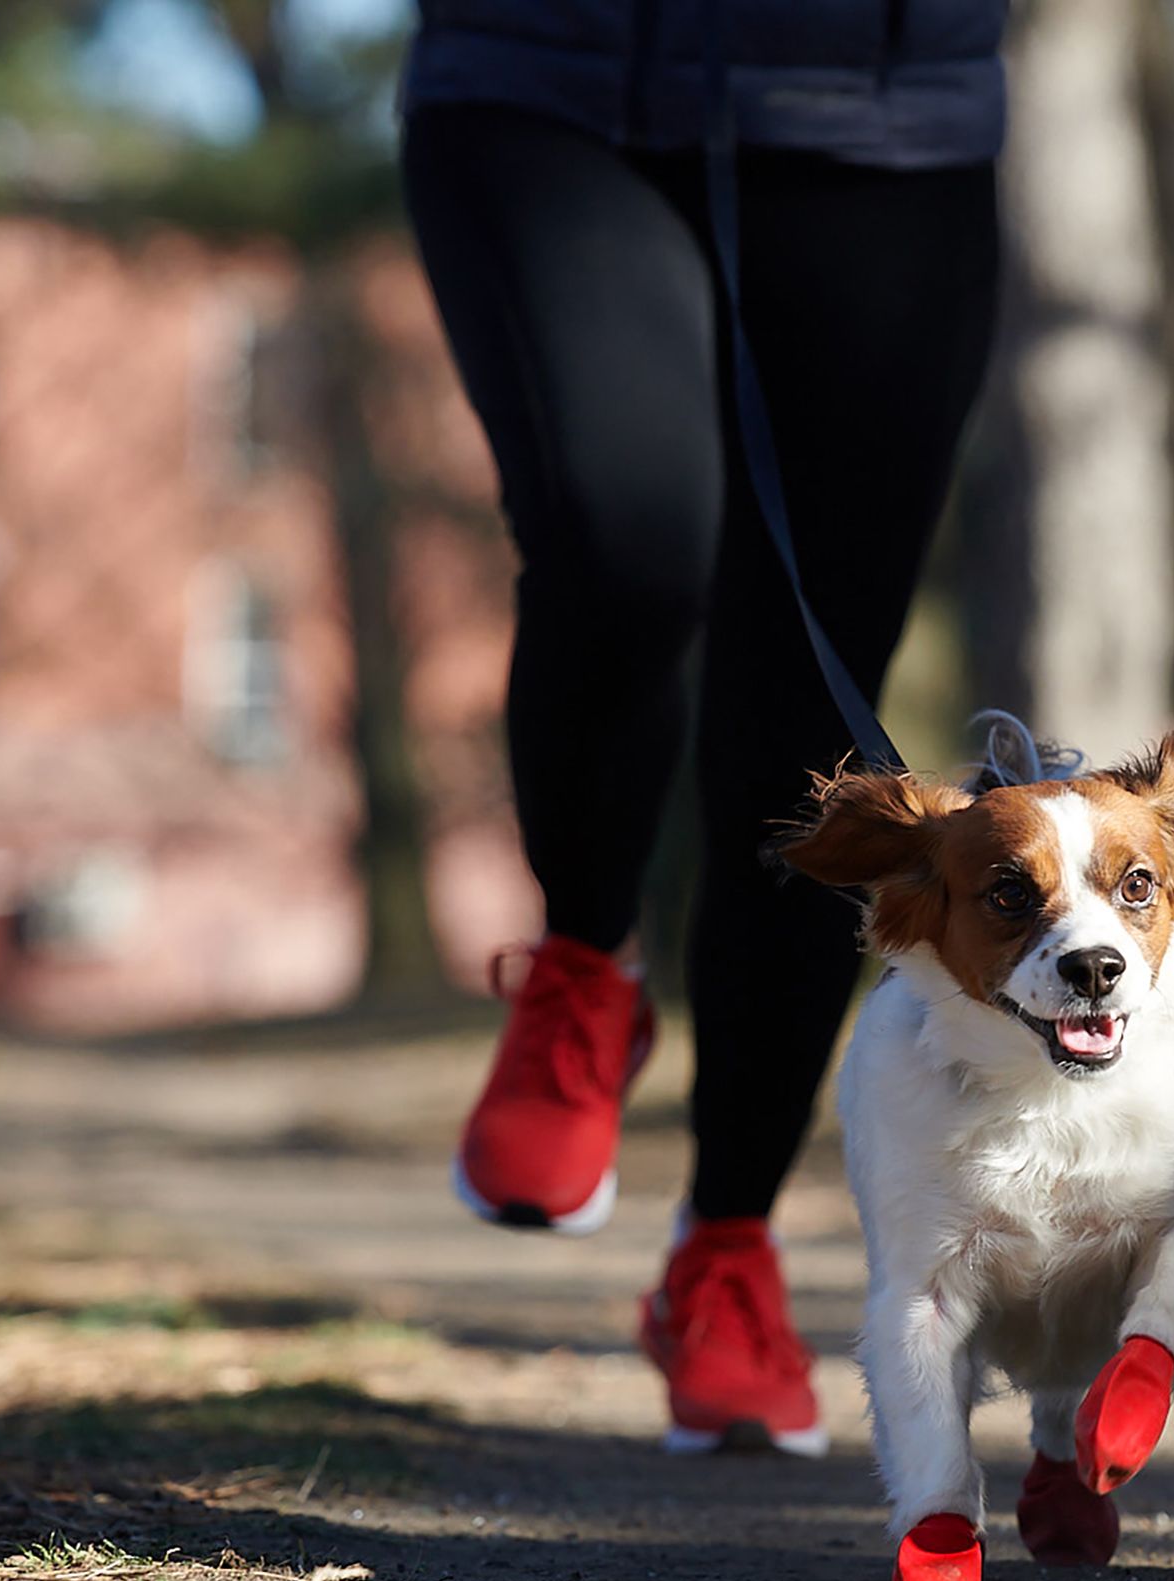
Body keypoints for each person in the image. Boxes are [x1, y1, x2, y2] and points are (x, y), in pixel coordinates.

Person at [400, 2, 1006, 1454]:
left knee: (809, 746)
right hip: (551, 84)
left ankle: (725, 1249)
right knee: (620, 538)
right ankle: (582, 967)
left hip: (883, 119)